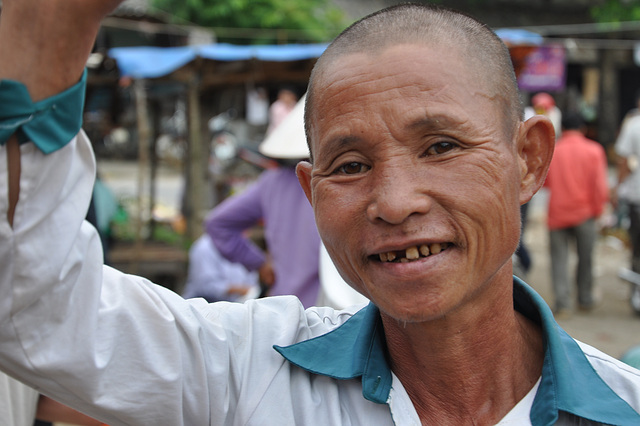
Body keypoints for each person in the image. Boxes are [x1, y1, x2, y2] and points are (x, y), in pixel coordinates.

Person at [1, 3, 640, 426]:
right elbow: (34, 311)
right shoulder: (250, 369)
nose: (394, 202)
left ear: (527, 161)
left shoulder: (621, 405)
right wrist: (53, 33)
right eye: (351, 165)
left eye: (441, 147)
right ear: (310, 191)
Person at [205, 95, 322, 308]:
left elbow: (218, 223)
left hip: (288, 310)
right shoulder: (339, 182)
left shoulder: (272, 183)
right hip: (334, 312)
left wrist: (260, 264)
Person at [543, 112, 609, 317]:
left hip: (558, 212)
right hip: (585, 212)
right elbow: (599, 186)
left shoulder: (553, 150)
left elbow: (544, 182)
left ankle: (563, 304)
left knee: (559, 259)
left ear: (562, 128)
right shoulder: (594, 150)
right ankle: (585, 297)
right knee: (586, 257)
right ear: (583, 129)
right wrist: (598, 211)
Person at [181, 233, 260, 303]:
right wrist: (239, 290)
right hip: (203, 309)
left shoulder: (244, 246)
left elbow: (252, 281)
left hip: (236, 308)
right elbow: (204, 286)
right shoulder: (205, 247)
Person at [615, 92, 640, 276]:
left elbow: (623, 161)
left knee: (637, 246)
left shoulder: (633, 125)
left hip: (636, 196)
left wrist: (618, 186)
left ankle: (637, 290)